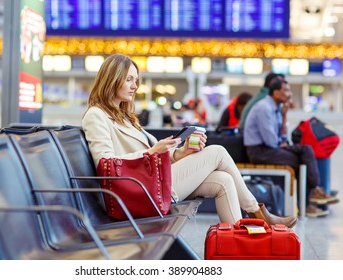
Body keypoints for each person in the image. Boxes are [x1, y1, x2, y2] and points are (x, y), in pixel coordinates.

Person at [81, 54, 297, 228]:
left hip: (152, 182)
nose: (135, 85)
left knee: (223, 180)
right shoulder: (96, 115)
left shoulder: (125, 116)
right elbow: (105, 164)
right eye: (129, 79)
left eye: (136, 80)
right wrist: (152, 152)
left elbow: (154, 156)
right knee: (218, 152)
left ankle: (238, 246)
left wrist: (180, 153)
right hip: (138, 191)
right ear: (111, 78)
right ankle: (257, 212)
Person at [243, 79, 339, 218]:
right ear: (276, 93)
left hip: (269, 149)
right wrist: (282, 144)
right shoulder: (264, 108)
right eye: (286, 90)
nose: (289, 94)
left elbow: (282, 137)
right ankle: (311, 198)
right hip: (259, 151)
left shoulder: (276, 109)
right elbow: (270, 141)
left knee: (305, 150)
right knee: (302, 158)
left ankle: (312, 195)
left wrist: (284, 116)